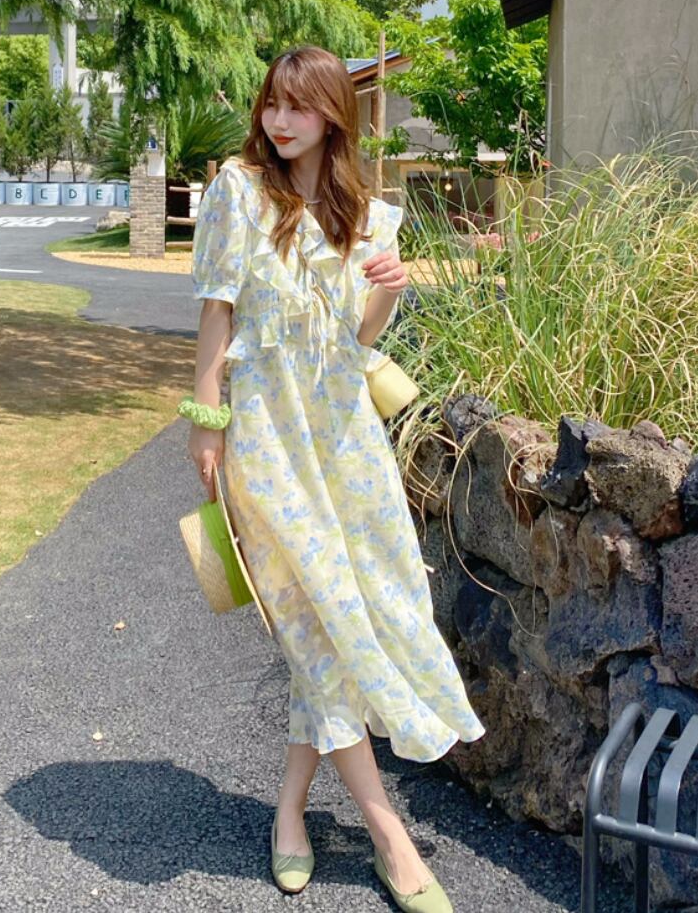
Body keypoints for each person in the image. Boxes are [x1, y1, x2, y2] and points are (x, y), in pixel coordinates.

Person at [184, 45, 486, 912]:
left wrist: (390, 287)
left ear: (332, 116)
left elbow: (359, 343)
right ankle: (391, 838)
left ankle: (290, 811)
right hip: (268, 442)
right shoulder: (239, 192)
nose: (280, 121)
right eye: (272, 103)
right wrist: (205, 421)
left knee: (351, 618)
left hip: (346, 444)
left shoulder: (370, 214)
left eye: (299, 106)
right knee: (314, 626)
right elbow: (217, 310)